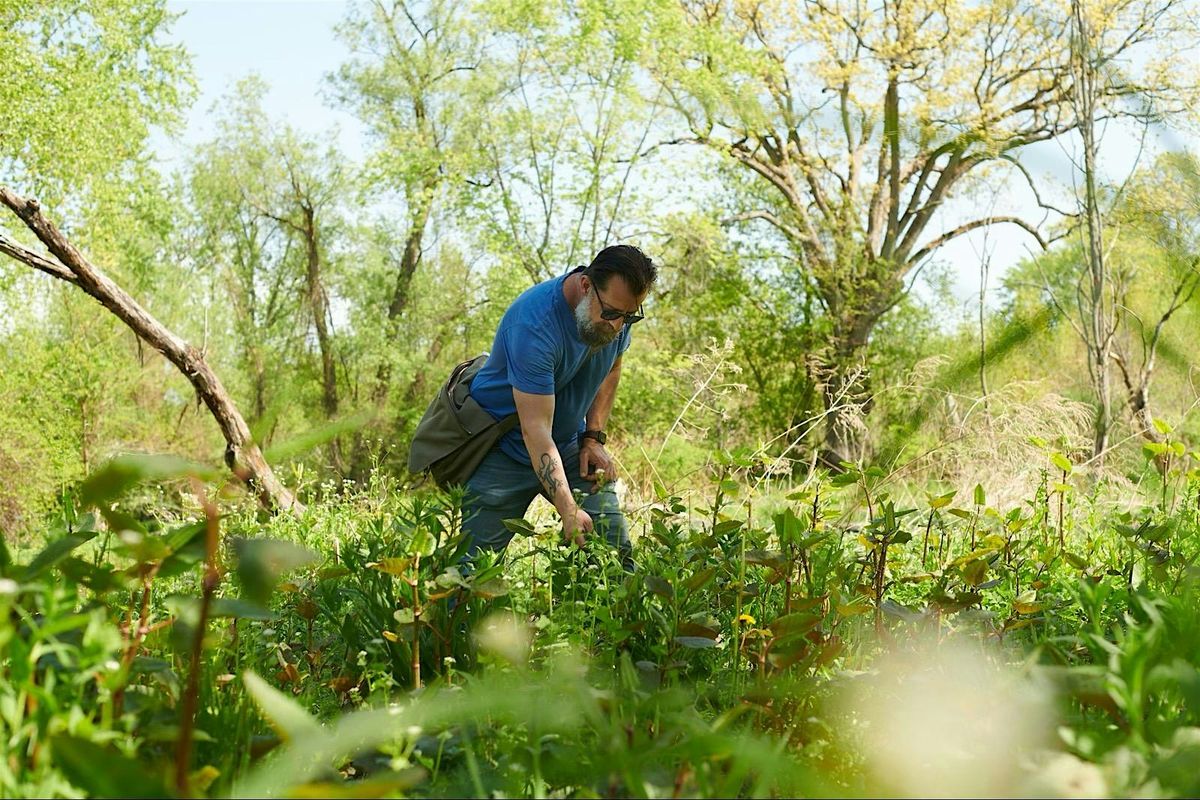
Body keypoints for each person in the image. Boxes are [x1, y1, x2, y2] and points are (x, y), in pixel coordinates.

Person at [462, 244, 656, 569]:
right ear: (585, 286)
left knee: (615, 559)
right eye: (611, 313)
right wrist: (567, 508)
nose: (618, 326)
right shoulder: (533, 326)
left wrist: (593, 437)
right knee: (468, 574)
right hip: (504, 448)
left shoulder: (616, 314)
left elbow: (612, 367)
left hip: (567, 442)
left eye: (630, 316)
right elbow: (535, 428)